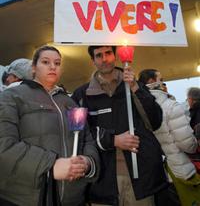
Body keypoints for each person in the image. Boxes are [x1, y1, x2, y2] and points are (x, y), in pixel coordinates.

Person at [0, 45, 100, 206]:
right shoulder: (12, 97)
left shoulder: (70, 102)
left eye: (57, 63)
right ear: (33, 67)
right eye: (46, 62)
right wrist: (50, 166)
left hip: (72, 199)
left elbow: (86, 140)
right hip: (27, 198)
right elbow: (4, 144)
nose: (53, 66)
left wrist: (87, 162)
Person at [72, 46, 168, 206]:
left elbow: (155, 121)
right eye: (99, 55)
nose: (104, 59)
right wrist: (112, 140)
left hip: (141, 177)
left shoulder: (135, 85)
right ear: (93, 60)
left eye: (108, 53)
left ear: (115, 55)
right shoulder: (81, 95)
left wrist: (136, 88)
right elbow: (77, 135)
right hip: (102, 181)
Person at [138, 69, 200, 206]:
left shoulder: (138, 106)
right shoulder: (170, 105)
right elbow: (187, 144)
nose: (163, 82)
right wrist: (195, 144)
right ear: (151, 82)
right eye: (161, 79)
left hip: (153, 175)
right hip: (177, 170)